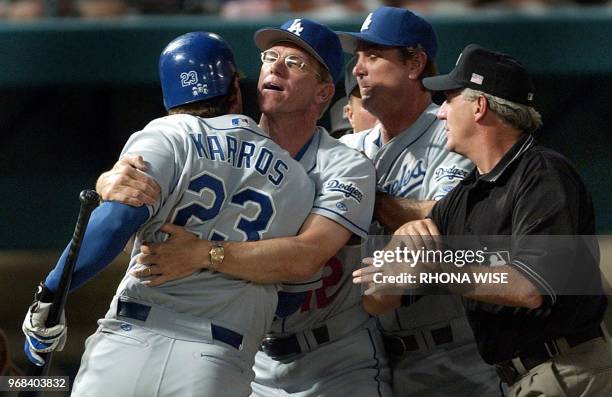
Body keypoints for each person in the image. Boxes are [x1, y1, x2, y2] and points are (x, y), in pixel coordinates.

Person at [95, 18, 392, 396]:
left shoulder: (345, 164)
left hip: (332, 359)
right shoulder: (216, 143)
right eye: (270, 56)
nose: (275, 67)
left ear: (323, 93)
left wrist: (206, 253)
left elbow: (306, 256)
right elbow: (144, 241)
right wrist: (111, 185)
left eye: (296, 63)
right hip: (249, 359)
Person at [21, 31, 316, 397]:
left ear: (169, 97)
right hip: (219, 357)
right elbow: (290, 297)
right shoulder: (297, 178)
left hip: (130, 339)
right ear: (235, 91)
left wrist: (50, 293)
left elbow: (114, 222)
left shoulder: (169, 134)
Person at [356, 43, 612, 396]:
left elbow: (528, 287)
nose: (440, 113)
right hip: (523, 376)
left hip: (570, 368)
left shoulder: (542, 173)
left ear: (479, 106)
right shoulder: (468, 195)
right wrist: (400, 250)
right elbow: (381, 292)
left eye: (449, 100)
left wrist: (432, 270)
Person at [336, 6, 499, 396]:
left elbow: (447, 224)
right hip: (378, 358)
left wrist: (368, 200)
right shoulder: (350, 147)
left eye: (373, 55)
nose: (358, 69)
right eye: (357, 57)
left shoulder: (450, 132)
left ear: (415, 64)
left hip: (457, 352)